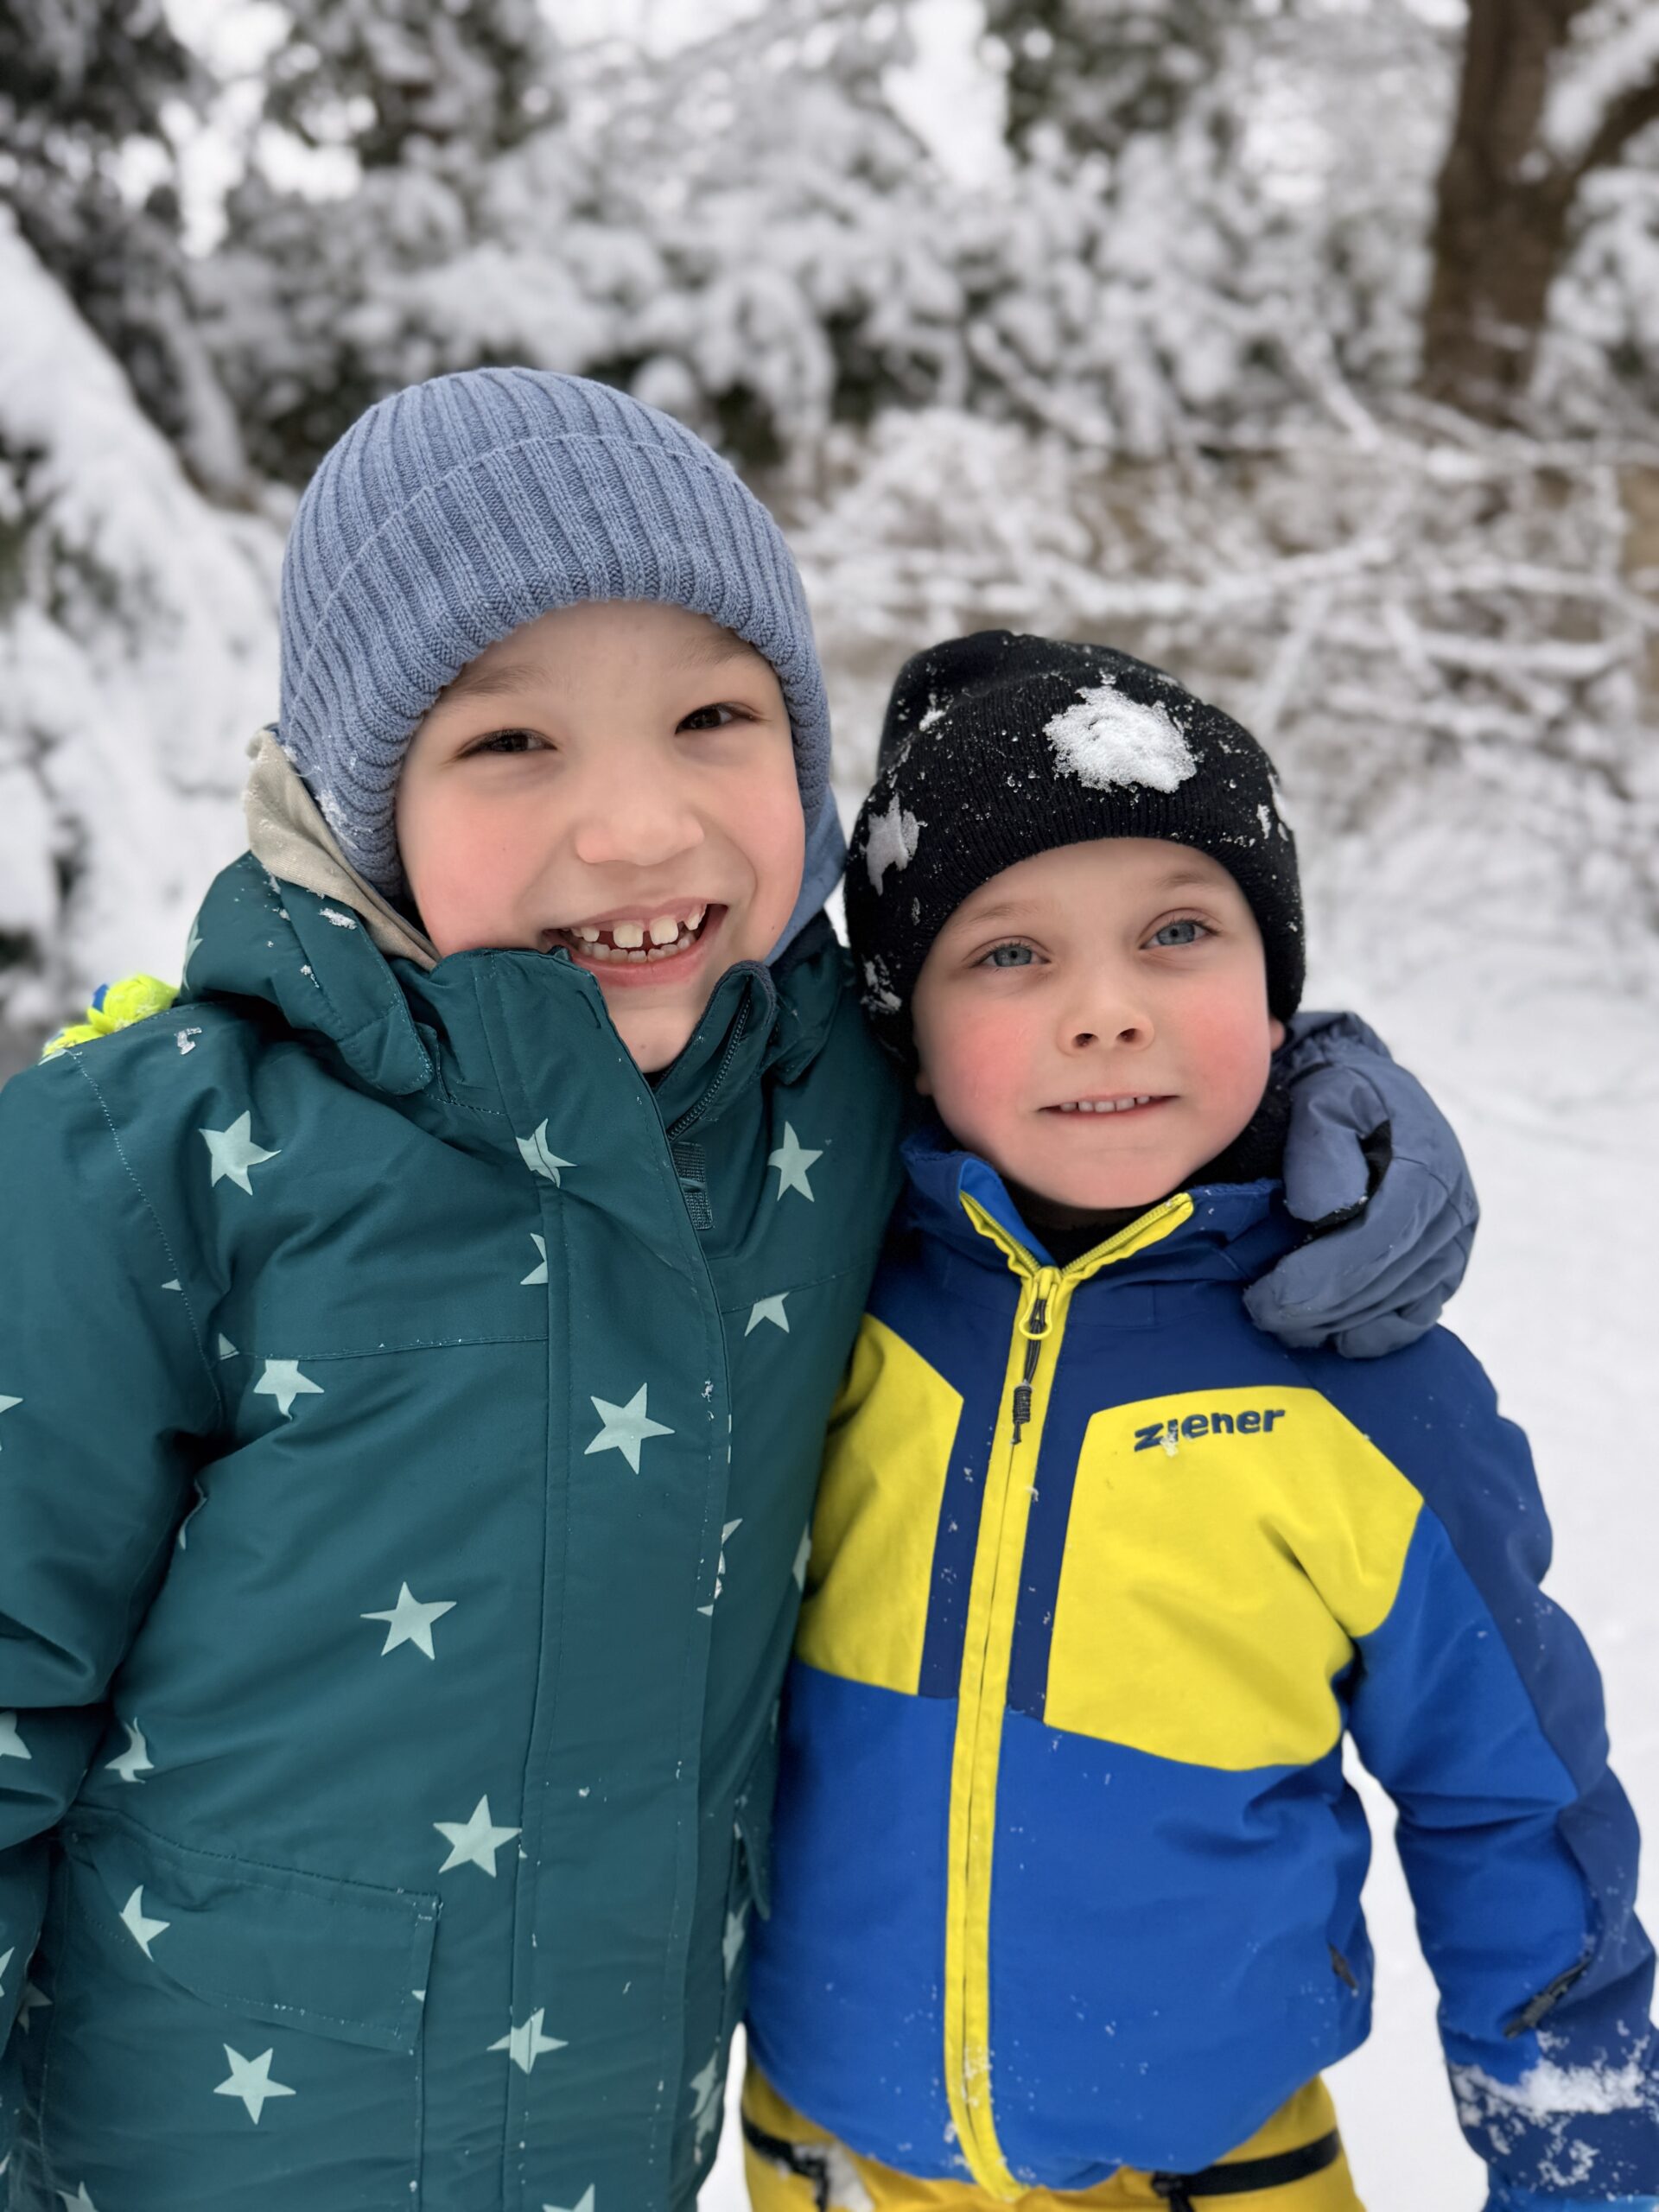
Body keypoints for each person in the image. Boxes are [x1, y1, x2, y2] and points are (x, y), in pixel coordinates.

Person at [0, 375, 1472, 2212]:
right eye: (511, 741)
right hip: (191, 2155)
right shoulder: (159, 1161)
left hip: (619, 2145)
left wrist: (1323, 1099)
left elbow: (1066, 1034)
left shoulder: (824, 1086)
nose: (637, 826)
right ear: (361, 804)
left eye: (712, 716)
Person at [742, 631, 1658, 2212]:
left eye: (1179, 931)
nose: (1106, 1010)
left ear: (1279, 992)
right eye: (1008, 954)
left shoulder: (1367, 1387)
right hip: (830, 2150)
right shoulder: (814, 1300)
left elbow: (1512, 1802)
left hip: (1214, 2169)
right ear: (907, 1034)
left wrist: (1583, 2161)